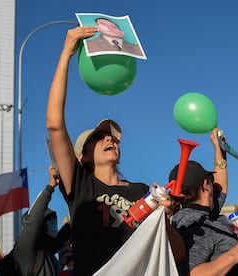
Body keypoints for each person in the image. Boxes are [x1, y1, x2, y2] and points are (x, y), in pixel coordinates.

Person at [46, 26, 185, 276]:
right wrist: (66, 53)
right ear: (83, 156)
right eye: (99, 137)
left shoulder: (142, 191)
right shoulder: (80, 186)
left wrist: (163, 218)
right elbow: (55, 125)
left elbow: (177, 253)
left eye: (112, 137)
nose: (109, 138)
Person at [171, 128, 238, 276]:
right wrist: (236, 255)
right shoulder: (194, 224)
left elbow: (220, 186)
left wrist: (219, 148)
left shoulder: (205, 213)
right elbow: (190, 273)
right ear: (207, 186)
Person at [0, 167, 70, 275]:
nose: (54, 224)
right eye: (49, 220)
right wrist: (50, 187)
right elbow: (33, 220)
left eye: (54, 221)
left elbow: (69, 227)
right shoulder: (27, 249)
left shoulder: (47, 249)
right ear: (41, 224)